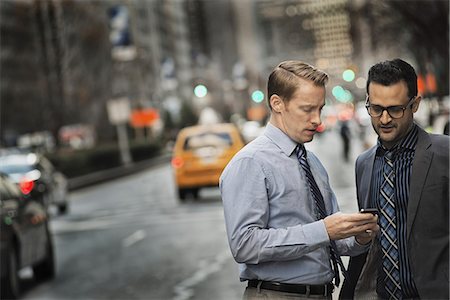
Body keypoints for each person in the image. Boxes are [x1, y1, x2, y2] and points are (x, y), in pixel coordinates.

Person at [220, 60, 379, 300]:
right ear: (277, 103)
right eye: (307, 109)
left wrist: (357, 237)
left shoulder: (311, 161)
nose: (318, 120)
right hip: (276, 295)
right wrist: (323, 230)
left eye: (320, 109)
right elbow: (245, 245)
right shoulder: (250, 162)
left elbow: (329, 239)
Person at [340, 59, 449, 300]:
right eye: (376, 108)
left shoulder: (445, 154)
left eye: (395, 109)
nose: (385, 119)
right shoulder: (363, 164)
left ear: (415, 105)